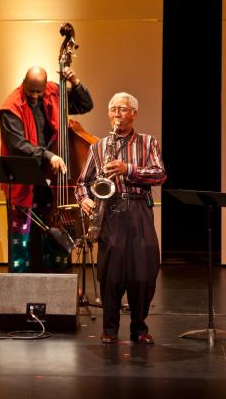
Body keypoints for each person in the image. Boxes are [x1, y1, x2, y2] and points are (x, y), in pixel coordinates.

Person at [75, 92, 166, 345]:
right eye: (113, 109)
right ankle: (110, 329)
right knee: (111, 274)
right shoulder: (99, 146)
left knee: (144, 273)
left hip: (139, 211)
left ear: (134, 114)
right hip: (110, 212)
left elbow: (159, 175)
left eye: (122, 109)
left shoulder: (148, 143)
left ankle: (139, 328)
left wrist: (128, 169)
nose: (117, 114)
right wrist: (86, 201)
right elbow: (81, 183)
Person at [0, 66, 93, 273]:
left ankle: (56, 279)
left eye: (38, 92)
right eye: (30, 91)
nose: (34, 96)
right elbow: (18, 144)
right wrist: (49, 155)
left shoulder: (52, 91)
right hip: (26, 175)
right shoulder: (11, 106)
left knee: (53, 229)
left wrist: (75, 83)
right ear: (23, 83)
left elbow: (85, 105)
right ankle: (19, 281)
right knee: (21, 233)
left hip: (52, 177)